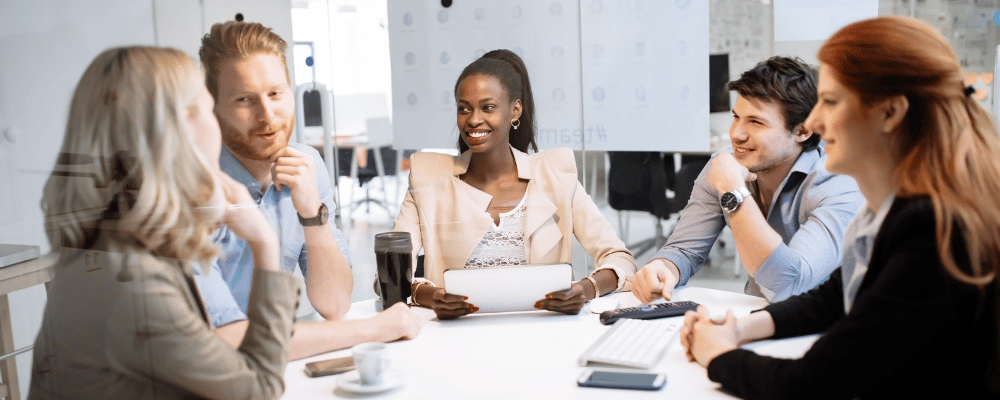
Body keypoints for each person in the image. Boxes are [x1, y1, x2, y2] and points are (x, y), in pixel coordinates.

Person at [681, 16, 1000, 398]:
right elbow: (833, 299)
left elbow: (813, 382)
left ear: (889, 113)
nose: (814, 121)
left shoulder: (935, 229)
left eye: (830, 102)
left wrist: (717, 354)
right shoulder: (898, 207)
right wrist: (737, 327)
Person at [29, 46, 296, 399]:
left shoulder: (119, 248)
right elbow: (257, 389)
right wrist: (264, 242)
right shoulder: (131, 283)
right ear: (183, 124)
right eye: (208, 108)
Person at [195, 21, 420, 360]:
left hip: (279, 361)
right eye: (244, 100)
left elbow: (334, 304)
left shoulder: (308, 164)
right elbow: (224, 340)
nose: (267, 116)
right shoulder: (193, 187)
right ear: (213, 106)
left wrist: (312, 213)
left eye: (275, 94)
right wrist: (373, 329)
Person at [393, 49, 636, 319]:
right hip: (458, 338)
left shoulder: (554, 175)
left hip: (543, 333)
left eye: (488, 107)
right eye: (464, 108)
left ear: (515, 110)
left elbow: (619, 257)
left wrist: (585, 289)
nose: (473, 119)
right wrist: (431, 296)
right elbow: (389, 275)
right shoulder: (429, 180)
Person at [633, 56, 864, 303]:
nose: (736, 134)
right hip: (756, 320)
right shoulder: (724, 167)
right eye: (736, 117)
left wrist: (733, 191)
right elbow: (684, 250)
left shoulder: (839, 185)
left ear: (803, 130)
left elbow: (789, 286)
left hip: (825, 331)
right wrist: (664, 267)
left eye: (756, 122)